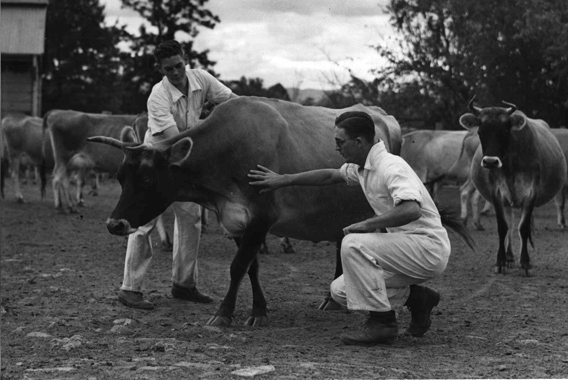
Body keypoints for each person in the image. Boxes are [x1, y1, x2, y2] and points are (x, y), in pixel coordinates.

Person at [247, 111, 450, 346]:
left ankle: (382, 324)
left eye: (340, 142)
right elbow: (329, 176)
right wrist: (284, 179)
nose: (337, 149)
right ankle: (418, 298)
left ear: (359, 142)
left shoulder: (391, 166)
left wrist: (367, 224)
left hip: (427, 249)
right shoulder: (364, 166)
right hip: (406, 251)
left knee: (353, 242)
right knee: (341, 291)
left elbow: (412, 210)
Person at [118, 40, 238, 310]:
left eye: (179, 65)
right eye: (168, 68)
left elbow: (232, 102)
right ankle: (130, 288)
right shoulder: (157, 95)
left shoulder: (201, 78)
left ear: (186, 59)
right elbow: (175, 139)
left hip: (186, 160)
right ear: (159, 68)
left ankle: (183, 285)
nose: (175, 72)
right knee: (143, 221)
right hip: (156, 160)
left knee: (190, 220)